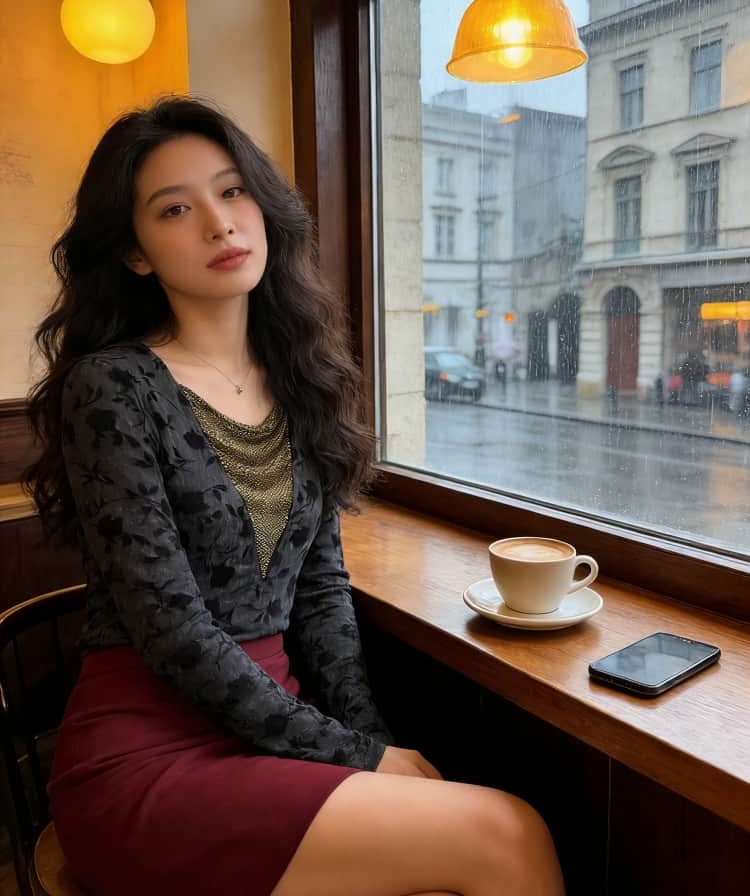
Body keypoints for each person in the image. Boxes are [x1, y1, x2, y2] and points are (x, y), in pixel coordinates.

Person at [23, 97, 565, 896]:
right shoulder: (112, 388)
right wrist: (358, 757)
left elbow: (320, 595)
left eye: (232, 191)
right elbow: (171, 632)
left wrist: (371, 741)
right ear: (135, 252)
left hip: (274, 733)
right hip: (145, 755)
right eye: (175, 209)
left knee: (463, 830)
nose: (219, 223)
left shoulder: (301, 381)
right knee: (507, 833)